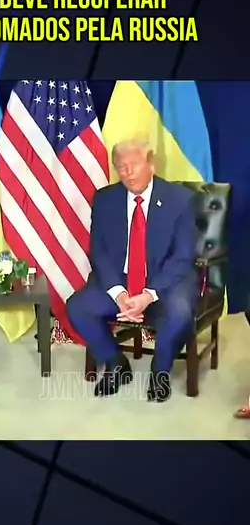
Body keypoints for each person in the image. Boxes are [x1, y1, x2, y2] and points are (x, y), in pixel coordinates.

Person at [66, 139, 200, 402]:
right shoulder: (105, 199)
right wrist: (118, 293)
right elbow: (99, 252)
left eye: (134, 165)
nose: (127, 173)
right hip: (122, 281)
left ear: (151, 164)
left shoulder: (181, 200)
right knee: (78, 307)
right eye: (121, 167)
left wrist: (149, 294)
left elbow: (183, 256)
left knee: (180, 312)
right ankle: (116, 363)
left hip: (166, 282)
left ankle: (160, 371)